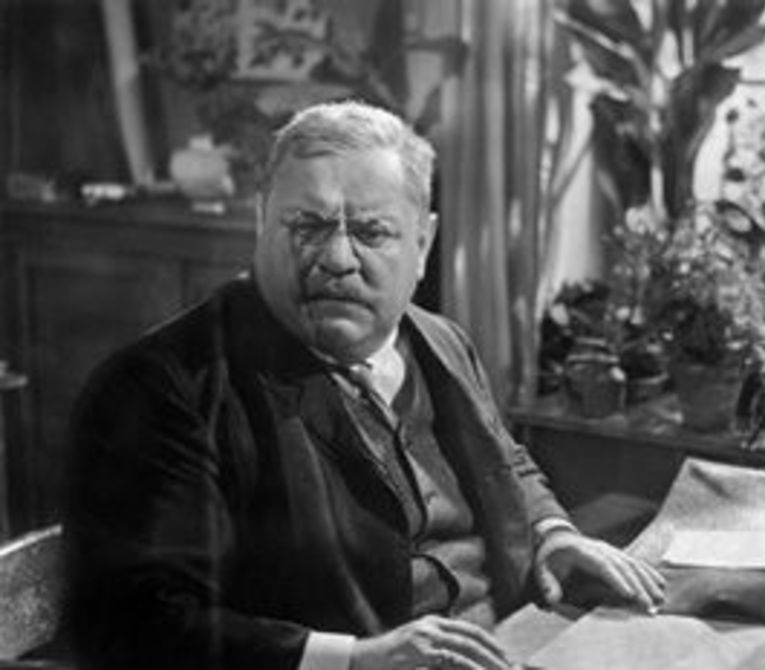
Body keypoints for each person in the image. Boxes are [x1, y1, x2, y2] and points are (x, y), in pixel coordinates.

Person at [63, 100, 665, 670]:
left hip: (517, 641)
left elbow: (505, 463)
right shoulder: (160, 389)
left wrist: (551, 534)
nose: (337, 258)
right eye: (307, 225)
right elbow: (131, 622)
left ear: (423, 244)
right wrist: (352, 660)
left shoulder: (441, 341)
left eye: (372, 232)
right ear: (261, 221)